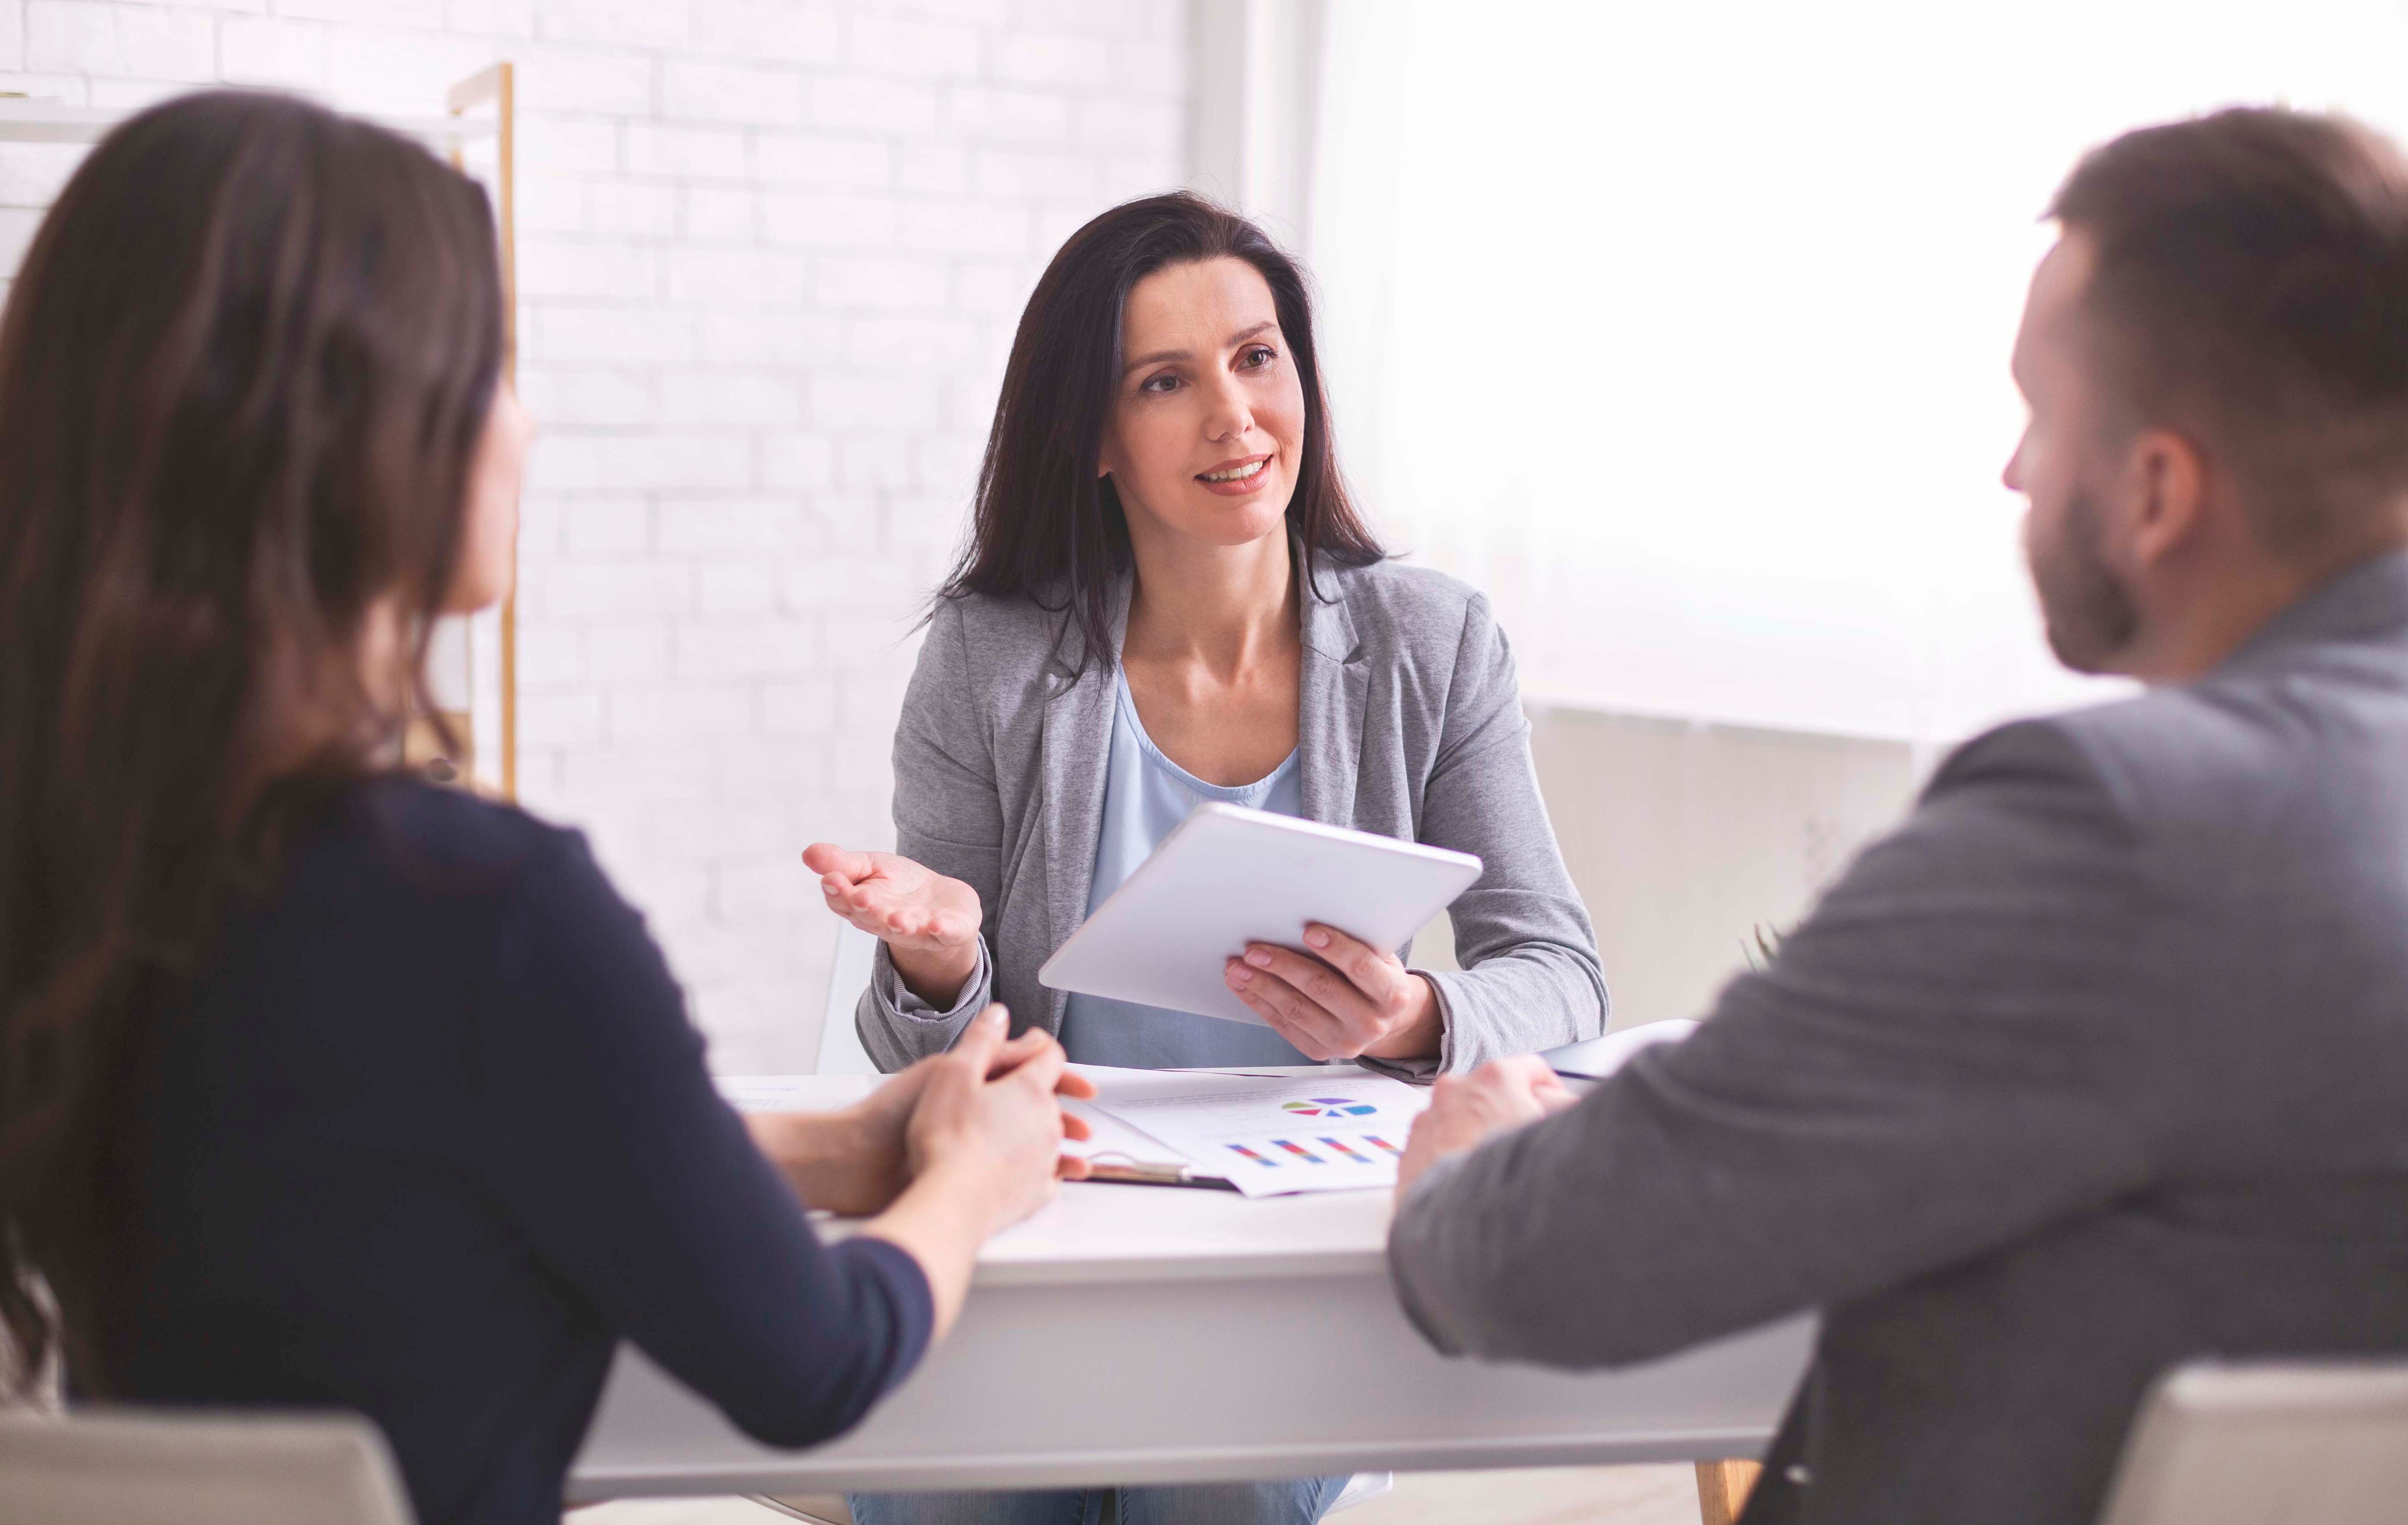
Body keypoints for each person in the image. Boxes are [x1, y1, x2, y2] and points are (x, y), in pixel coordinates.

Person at [0, 92, 1087, 1525]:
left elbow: (389, 1147)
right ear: (360, 438)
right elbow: (811, 1368)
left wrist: (833, 1147)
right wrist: (967, 1181)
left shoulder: (79, 855)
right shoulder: (476, 912)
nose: (524, 419)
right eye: (491, 368)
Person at [1384, 105, 2408, 1525]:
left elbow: (1548, 1265)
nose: (2014, 471)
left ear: (2159, 489)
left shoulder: (2112, 828)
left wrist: (1470, 1161)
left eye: (2041, 415)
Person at [806, 194, 1607, 1524]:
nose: (1234, 416)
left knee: (1210, 1487)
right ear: (1096, 438)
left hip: (1285, 1254)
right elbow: (921, 1062)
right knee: (964, 1502)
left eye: (1257, 357)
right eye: (1165, 381)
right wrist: (939, 958)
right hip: (1039, 1225)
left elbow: (1560, 970)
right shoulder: (987, 654)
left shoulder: (1432, 642)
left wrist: (1413, 1017)